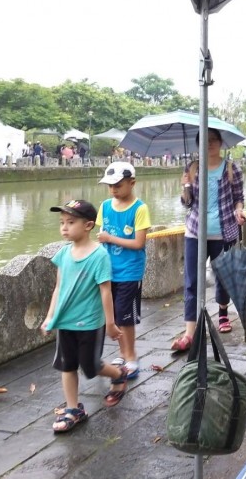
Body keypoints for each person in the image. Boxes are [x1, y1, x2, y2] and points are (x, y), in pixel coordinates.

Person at [42, 199, 129, 433]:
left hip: (90, 323)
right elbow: (58, 288)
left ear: (89, 225)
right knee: (67, 365)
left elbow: (105, 291)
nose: (64, 227)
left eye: (71, 222)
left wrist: (110, 323)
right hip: (65, 321)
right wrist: (50, 316)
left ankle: (118, 374)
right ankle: (73, 408)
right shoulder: (63, 254)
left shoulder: (99, 256)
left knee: (90, 366)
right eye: (62, 222)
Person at [171, 128, 246, 351]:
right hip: (195, 231)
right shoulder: (192, 168)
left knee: (221, 277)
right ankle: (189, 332)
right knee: (192, 281)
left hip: (223, 232)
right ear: (198, 145)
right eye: (205, 141)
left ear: (221, 143)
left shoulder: (232, 169)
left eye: (214, 140)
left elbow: (239, 198)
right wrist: (185, 185)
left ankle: (223, 312)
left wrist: (239, 212)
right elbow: (186, 204)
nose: (210, 144)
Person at [96, 162, 151, 380]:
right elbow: (100, 238)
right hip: (108, 271)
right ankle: (122, 352)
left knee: (124, 315)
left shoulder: (140, 209)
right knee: (115, 314)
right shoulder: (105, 206)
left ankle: (131, 356)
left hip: (130, 270)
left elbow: (139, 243)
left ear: (132, 183)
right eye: (110, 186)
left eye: (118, 185)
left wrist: (110, 238)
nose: (113, 190)